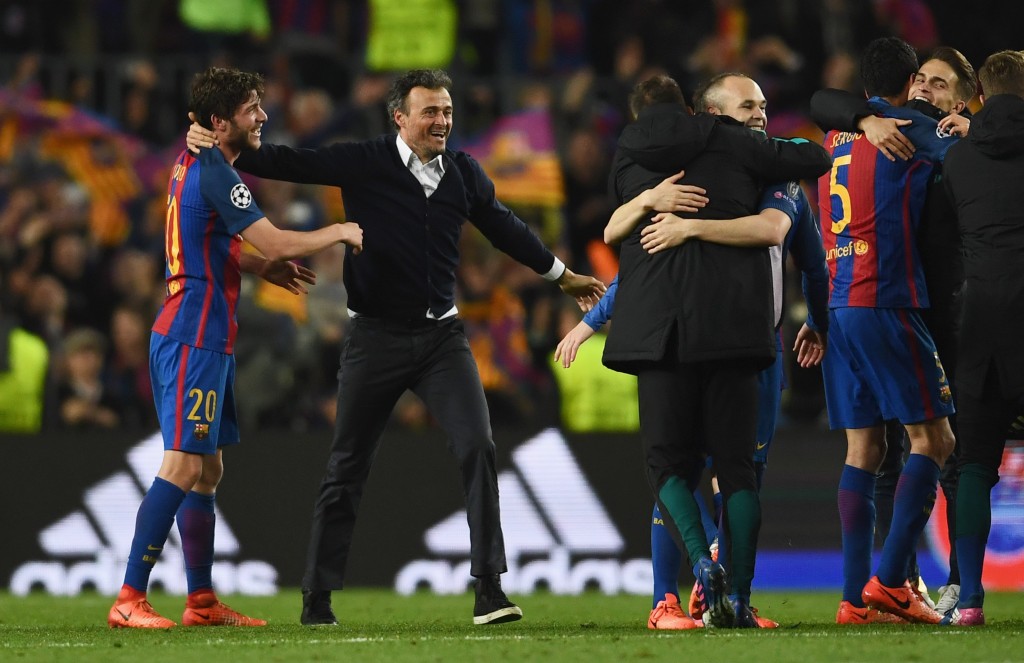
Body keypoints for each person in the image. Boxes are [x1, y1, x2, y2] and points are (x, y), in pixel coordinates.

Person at [186, 69, 606, 626]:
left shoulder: (463, 173)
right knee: (347, 467)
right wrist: (205, 137)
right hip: (374, 338)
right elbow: (285, 162)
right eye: (429, 112)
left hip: (441, 339)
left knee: (478, 445)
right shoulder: (364, 161)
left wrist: (561, 276)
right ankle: (318, 599)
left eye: (447, 111)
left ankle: (488, 591)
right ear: (400, 118)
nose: (442, 121)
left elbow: (505, 227)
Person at [556, 73, 829, 630]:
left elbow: (624, 245)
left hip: (685, 339)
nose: (758, 113)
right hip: (742, 336)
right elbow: (810, 168)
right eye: (746, 105)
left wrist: (675, 219)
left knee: (674, 469)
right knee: (736, 473)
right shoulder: (747, 155)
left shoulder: (636, 159)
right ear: (703, 112)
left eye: (763, 105)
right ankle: (705, 596)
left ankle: (697, 590)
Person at [107, 66, 364, 629]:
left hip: (207, 337)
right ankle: (129, 597)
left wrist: (257, 267)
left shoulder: (194, 159)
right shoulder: (217, 170)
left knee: (208, 469)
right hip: (192, 336)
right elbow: (271, 236)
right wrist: (339, 231)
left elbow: (205, 241)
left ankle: (200, 601)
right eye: (253, 108)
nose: (263, 117)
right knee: (181, 464)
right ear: (221, 121)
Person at [811, 46, 977, 618]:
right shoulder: (912, 126)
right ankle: (891, 580)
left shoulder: (835, 138)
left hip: (838, 306)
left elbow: (821, 103)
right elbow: (979, 161)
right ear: (910, 83)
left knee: (866, 447)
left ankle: (854, 599)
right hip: (887, 299)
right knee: (938, 440)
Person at [941, 49, 1024, 627]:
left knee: (973, 465)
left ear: (981, 98)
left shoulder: (957, 159)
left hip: (978, 327)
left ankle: (968, 599)